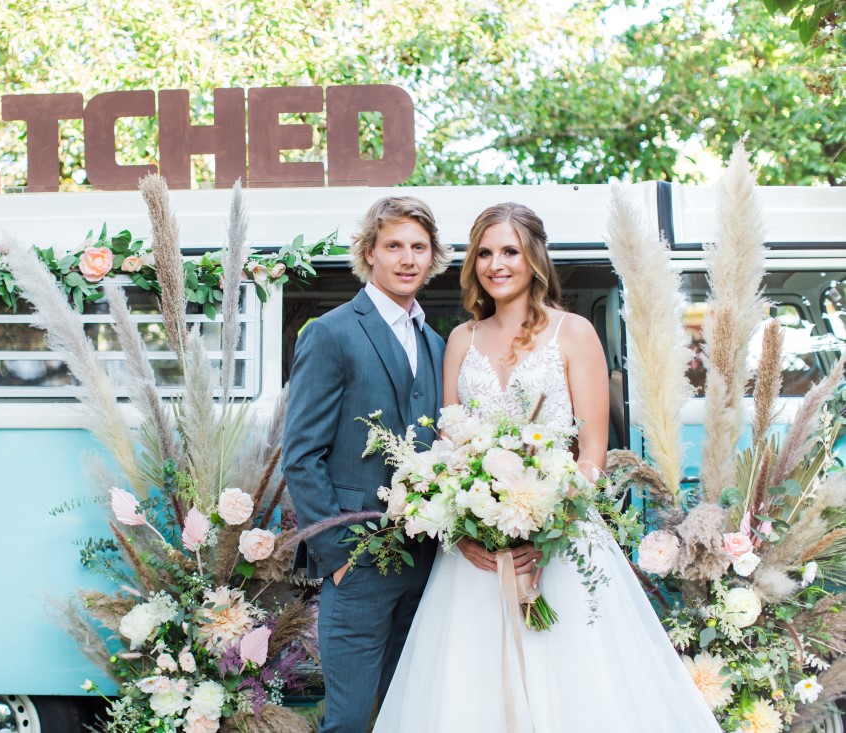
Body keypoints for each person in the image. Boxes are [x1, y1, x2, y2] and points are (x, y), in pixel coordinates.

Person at [373, 203, 722, 732]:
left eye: (510, 251)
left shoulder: (574, 333)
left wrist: (547, 522)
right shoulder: (461, 342)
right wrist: (465, 526)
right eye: (485, 253)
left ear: (533, 257)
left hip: (559, 545)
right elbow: (448, 446)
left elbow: (592, 453)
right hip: (475, 559)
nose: (496, 264)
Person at [284, 196, 453, 733]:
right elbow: (301, 455)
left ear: (432, 258)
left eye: (418, 247)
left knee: (408, 717)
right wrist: (339, 556)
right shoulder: (331, 333)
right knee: (350, 722)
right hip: (358, 563)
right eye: (394, 245)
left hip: (427, 564)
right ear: (369, 253)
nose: (407, 258)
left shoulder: (435, 341)